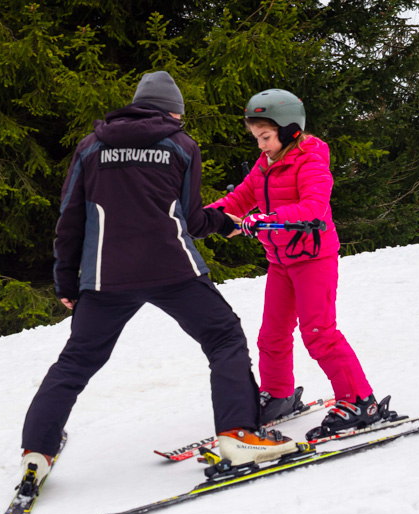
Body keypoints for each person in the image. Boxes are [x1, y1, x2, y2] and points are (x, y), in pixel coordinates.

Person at [19, 71, 298, 481]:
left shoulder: (90, 147)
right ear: (173, 112)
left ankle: (36, 453)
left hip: (105, 276)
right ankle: (239, 435)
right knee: (223, 337)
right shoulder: (181, 146)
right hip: (173, 269)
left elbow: (70, 219)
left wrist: (66, 280)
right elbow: (189, 216)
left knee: (76, 362)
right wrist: (223, 224)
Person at [209, 89, 387, 441]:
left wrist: (266, 219)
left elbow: (313, 206)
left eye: (265, 137)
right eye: (256, 138)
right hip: (280, 261)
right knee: (271, 336)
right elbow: (241, 197)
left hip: (313, 259)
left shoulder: (311, 159)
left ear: (290, 129)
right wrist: (206, 216)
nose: (260, 145)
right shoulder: (267, 163)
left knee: (319, 333)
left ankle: (360, 401)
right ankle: (278, 395)